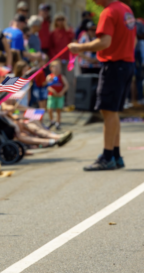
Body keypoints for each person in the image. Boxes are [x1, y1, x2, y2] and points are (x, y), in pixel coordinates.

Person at [69, 0, 136, 171]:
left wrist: (79, 47)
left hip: (114, 65)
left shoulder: (109, 12)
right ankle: (115, 155)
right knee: (112, 112)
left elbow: (104, 42)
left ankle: (107, 157)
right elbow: (132, 39)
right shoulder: (125, 9)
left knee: (107, 110)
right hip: (126, 64)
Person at [49, 12, 74, 105]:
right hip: (57, 61)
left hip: (68, 60)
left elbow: (72, 38)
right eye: (58, 20)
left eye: (62, 19)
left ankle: (70, 103)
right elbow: (51, 47)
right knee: (57, 81)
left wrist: (66, 26)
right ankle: (57, 103)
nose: (60, 22)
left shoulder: (69, 31)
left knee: (69, 81)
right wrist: (56, 58)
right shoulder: (53, 33)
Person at [46, 60, 69, 130]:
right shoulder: (49, 76)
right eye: (55, 67)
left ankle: (58, 123)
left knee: (59, 110)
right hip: (51, 96)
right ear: (51, 68)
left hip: (60, 96)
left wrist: (62, 92)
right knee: (50, 108)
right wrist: (53, 91)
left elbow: (66, 85)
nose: (57, 69)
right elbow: (47, 86)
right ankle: (52, 121)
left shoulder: (61, 76)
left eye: (58, 67)